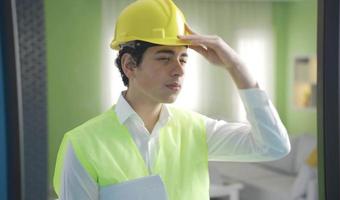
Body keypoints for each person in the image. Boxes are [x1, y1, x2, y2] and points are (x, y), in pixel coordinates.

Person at [53, 0, 291, 199]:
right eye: (164, 58)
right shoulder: (82, 145)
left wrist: (236, 66)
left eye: (183, 59)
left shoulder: (197, 130)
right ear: (129, 65)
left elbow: (274, 146)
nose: (179, 70)